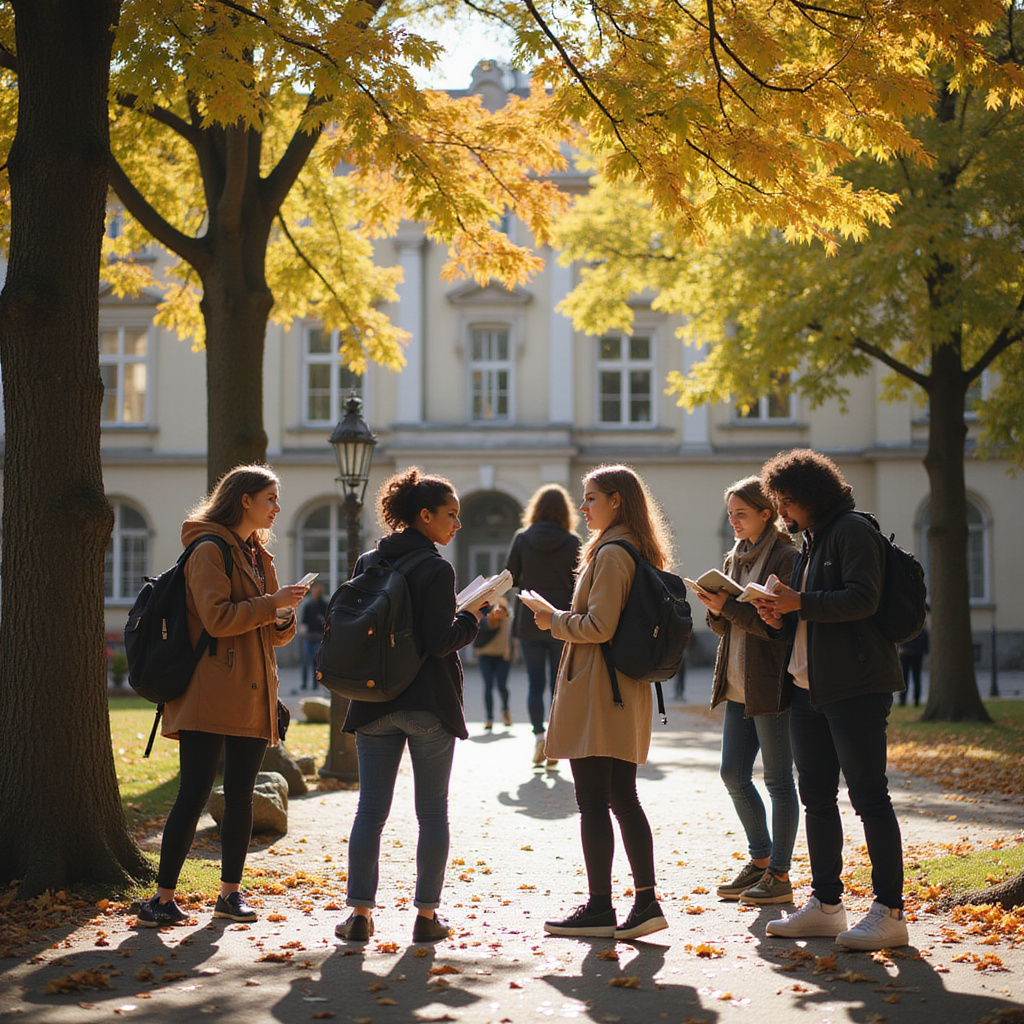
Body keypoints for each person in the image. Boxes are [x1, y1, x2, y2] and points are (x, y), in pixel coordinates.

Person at [136, 465, 308, 927]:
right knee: (193, 793)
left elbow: (270, 635)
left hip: (255, 690)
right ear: (244, 500)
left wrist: (282, 617)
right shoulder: (208, 549)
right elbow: (216, 620)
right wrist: (272, 606)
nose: (277, 507)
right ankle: (163, 897)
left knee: (242, 796)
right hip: (210, 690)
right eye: (270, 498)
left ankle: (229, 894)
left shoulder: (258, 556)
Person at [752, 449, 909, 951]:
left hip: (857, 686)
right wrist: (778, 615)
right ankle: (826, 905)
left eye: (788, 502)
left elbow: (863, 597)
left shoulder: (852, 531)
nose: (783, 513)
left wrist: (802, 602)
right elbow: (811, 618)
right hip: (808, 688)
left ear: (811, 496)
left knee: (869, 797)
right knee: (816, 799)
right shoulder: (813, 540)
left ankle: (890, 911)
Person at [334, 467, 487, 945]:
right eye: (451, 515)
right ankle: (425, 918)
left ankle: (359, 915)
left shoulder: (368, 561)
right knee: (432, 812)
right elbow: (441, 641)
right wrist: (473, 616)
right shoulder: (437, 568)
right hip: (427, 704)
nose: (456, 524)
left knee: (369, 812)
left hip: (374, 700)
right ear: (424, 516)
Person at [535, 465, 671, 940]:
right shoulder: (635, 547)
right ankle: (643, 902)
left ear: (616, 500)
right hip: (618, 688)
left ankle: (602, 908)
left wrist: (554, 620)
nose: (583, 507)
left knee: (595, 800)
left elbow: (599, 627)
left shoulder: (613, 553)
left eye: (591, 498)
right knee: (620, 798)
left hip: (600, 689)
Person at [695, 476, 800, 906]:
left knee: (777, 780)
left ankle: (779, 874)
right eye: (730, 513)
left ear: (765, 513)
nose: (733, 520)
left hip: (771, 684)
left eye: (741, 513)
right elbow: (725, 627)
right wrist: (716, 610)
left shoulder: (787, 558)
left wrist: (732, 609)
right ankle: (760, 860)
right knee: (732, 774)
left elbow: (780, 630)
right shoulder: (734, 557)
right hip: (737, 682)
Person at [505, 484, 581, 767]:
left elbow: (510, 577)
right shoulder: (573, 542)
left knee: (534, 683)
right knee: (558, 685)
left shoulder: (522, 539)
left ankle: (538, 736)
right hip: (562, 621)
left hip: (529, 620)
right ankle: (555, 741)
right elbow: (580, 585)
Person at [474, 597, 513, 730]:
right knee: (488, 686)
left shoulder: (506, 619)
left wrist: (509, 652)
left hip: (502, 657)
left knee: (502, 686)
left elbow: (509, 637)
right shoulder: (486, 618)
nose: (498, 612)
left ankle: (505, 711)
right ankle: (489, 718)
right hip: (485, 655)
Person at [298, 581, 328, 692]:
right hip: (309, 637)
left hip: (319, 637)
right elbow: (304, 621)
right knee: (306, 661)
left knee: (316, 662)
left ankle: (316, 684)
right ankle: (304, 683)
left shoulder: (325, 605)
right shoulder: (308, 605)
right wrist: (303, 632)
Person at [897, 618, 929, 707]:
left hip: (906, 654)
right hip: (917, 655)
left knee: (905, 678)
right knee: (916, 678)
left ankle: (903, 699)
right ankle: (916, 700)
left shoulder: (905, 629)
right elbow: (926, 646)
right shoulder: (922, 632)